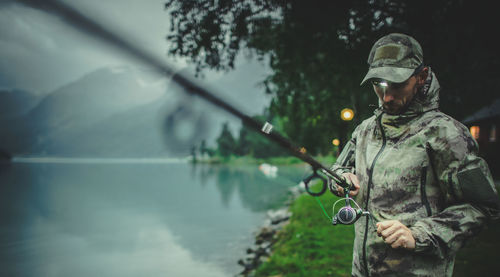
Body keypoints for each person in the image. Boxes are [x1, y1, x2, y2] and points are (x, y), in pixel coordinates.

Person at [330, 33, 500, 277]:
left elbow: (481, 206)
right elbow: (337, 169)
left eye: (397, 84)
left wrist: (419, 234)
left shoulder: (446, 134)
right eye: (380, 84)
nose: (387, 96)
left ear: (421, 77)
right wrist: (342, 179)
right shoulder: (365, 130)